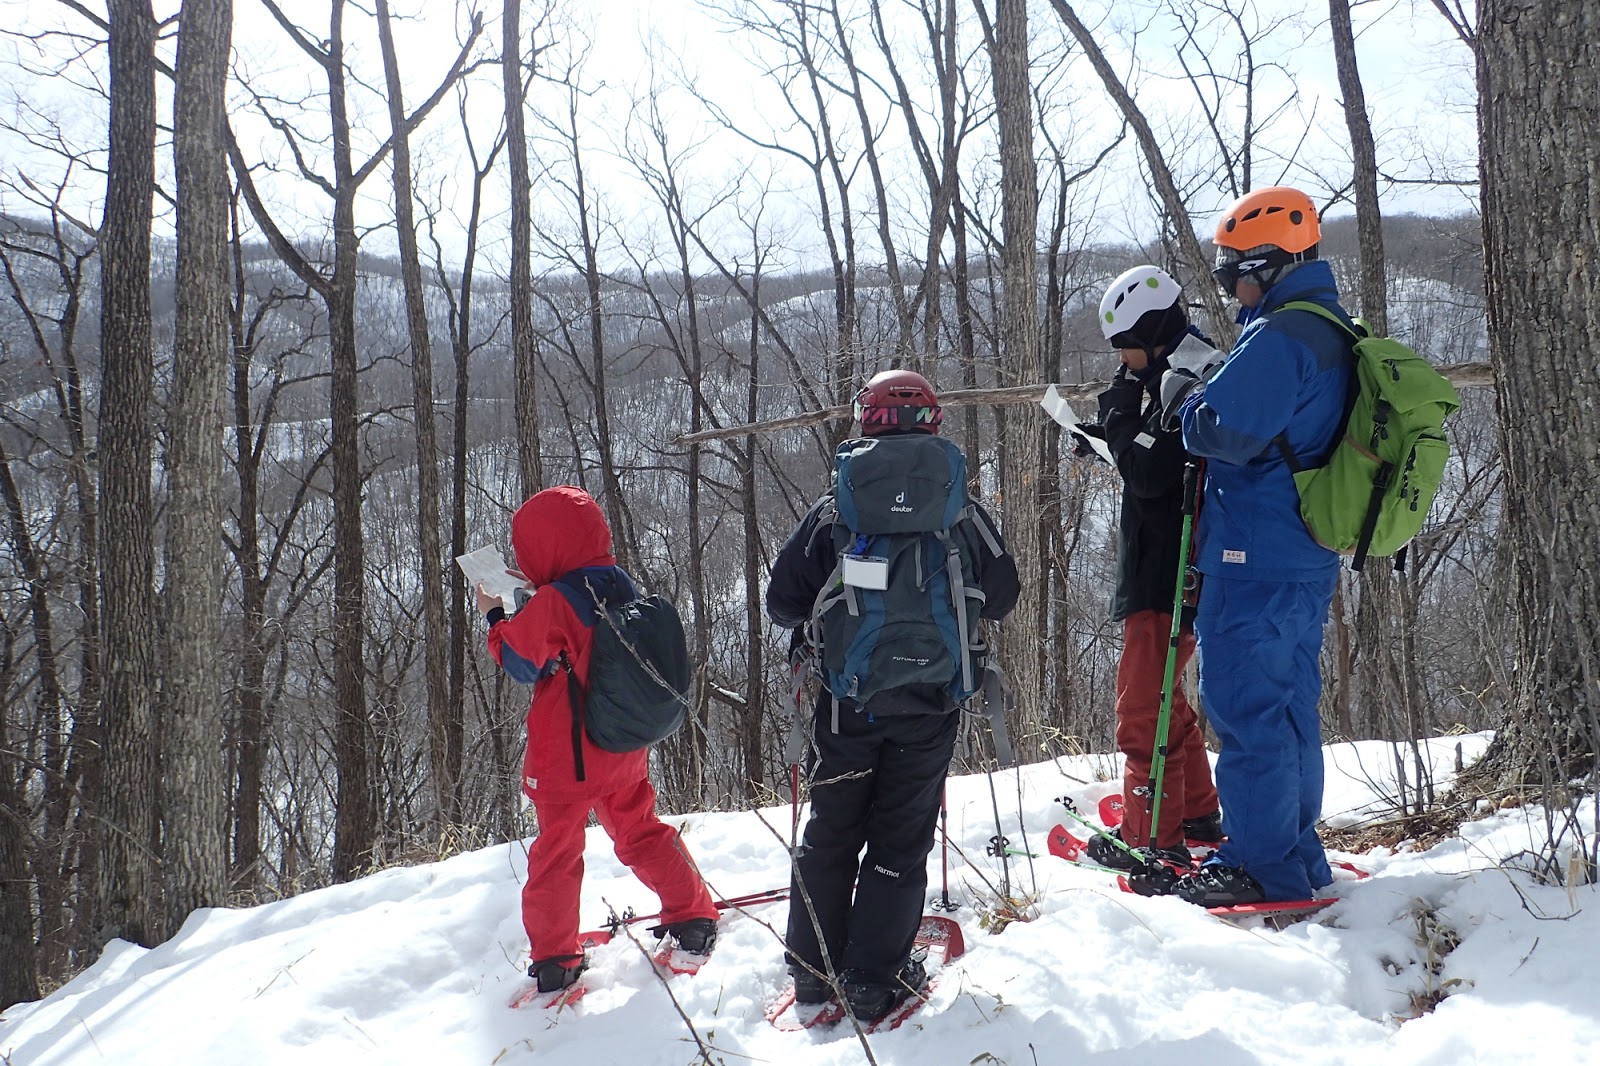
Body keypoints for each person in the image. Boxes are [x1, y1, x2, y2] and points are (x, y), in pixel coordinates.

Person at [766, 370, 1018, 1021]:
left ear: (865, 421)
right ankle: (873, 980)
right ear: (931, 423)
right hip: (932, 705)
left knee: (831, 832)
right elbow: (1006, 592)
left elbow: (784, 601)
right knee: (900, 840)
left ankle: (815, 973)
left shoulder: (836, 508)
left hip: (848, 705)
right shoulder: (959, 507)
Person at [1156, 186, 1354, 906]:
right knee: (1289, 706)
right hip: (1302, 550)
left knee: (1246, 709)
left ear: (1267, 263)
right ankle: (1295, 853)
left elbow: (1224, 434)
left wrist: (1188, 406)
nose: (1229, 284)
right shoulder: (1329, 324)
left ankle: (1264, 865)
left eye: (1232, 269)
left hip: (1255, 552)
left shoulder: (1279, 337)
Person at [477, 485, 720, 992]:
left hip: (568, 759)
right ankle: (693, 913)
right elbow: (583, 633)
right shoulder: (617, 581)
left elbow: (522, 663)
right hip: (622, 745)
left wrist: (496, 615)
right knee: (640, 831)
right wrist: (539, 588)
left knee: (556, 855)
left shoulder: (552, 601)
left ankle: (556, 959)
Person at [1072, 266, 1223, 878]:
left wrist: (1116, 421)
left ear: (1155, 331)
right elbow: (1149, 460)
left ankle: (1150, 837)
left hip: (1170, 570)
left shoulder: (1187, 380)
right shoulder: (1169, 372)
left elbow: (1152, 473)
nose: (1122, 359)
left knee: (1142, 707)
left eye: (1125, 344)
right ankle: (1195, 813)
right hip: (1164, 563)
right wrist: (1108, 433)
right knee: (1165, 698)